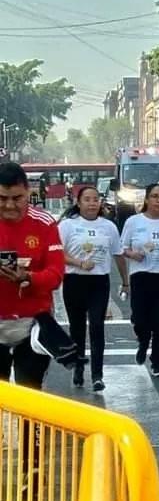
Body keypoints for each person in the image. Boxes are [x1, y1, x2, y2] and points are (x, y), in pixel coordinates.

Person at [0, 162, 64, 389]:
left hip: (32, 324)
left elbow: (56, 275)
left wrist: (27, 277)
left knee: (30, 397)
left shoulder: (44, 223)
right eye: (2, 198)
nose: (9, 206)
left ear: (28, 191)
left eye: (17, 198)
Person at [59, 185, 127, 392]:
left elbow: (118, 254)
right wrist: (78, 263)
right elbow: (56, 253)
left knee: (97, 326)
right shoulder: (67, 226)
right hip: (74, 281)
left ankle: (97, 374)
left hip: (99, 283)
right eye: (87, 199)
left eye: (95, 199)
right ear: (78, 203)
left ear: (100, 203)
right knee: (77, 328)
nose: (92, 203)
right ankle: (78, 367)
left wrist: (125, 281)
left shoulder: (109, 227)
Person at [120, 183, 159, 377]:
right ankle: (143, 341)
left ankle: (157, 362)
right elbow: (122, 248)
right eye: (154, 196)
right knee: (139, 318)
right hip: (141, 275)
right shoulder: (134, 222)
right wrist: (133, 254)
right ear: (146, 199)